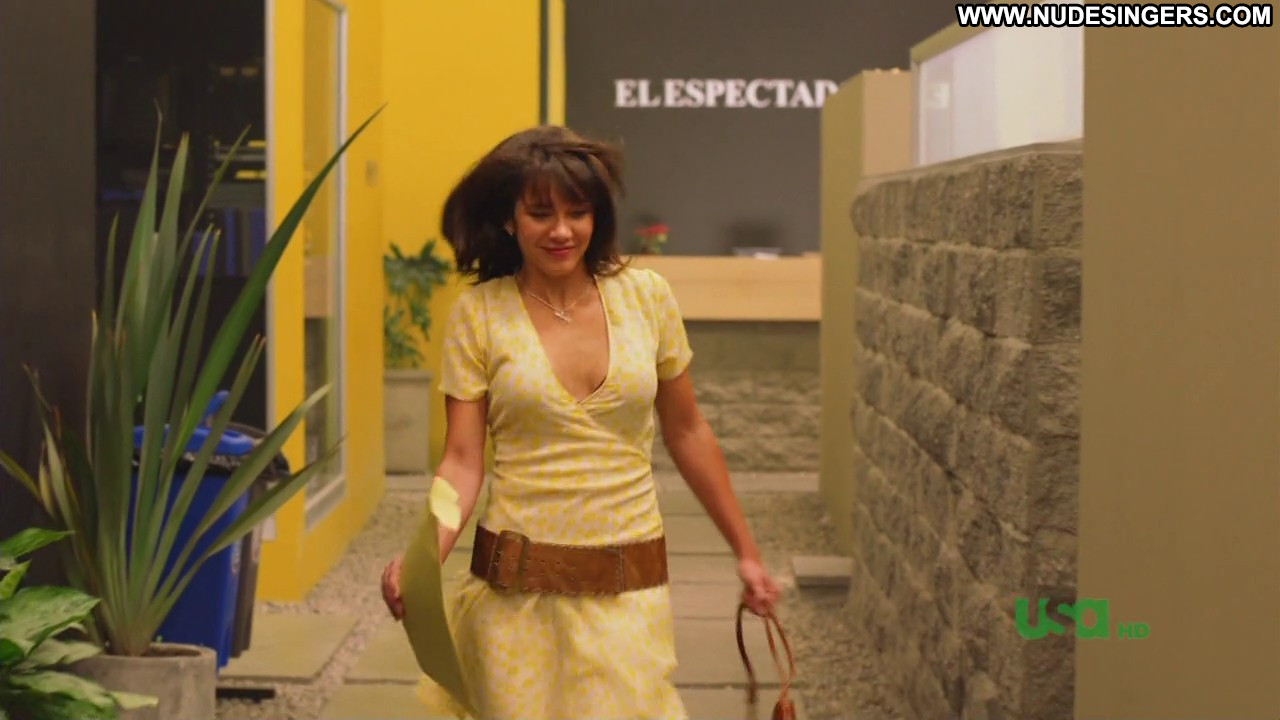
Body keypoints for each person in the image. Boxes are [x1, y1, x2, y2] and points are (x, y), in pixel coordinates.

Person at [380, 125, 781, 719]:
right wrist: (422, 559)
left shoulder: (646, 298)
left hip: (628, 588)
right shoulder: (479, 314)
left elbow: (688, 431)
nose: (562, 230)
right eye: (540, 213)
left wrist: (746, 552)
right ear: (510, 220)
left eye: (577, 212)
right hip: (513, 596)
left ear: (598, 216)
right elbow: (462, 461)